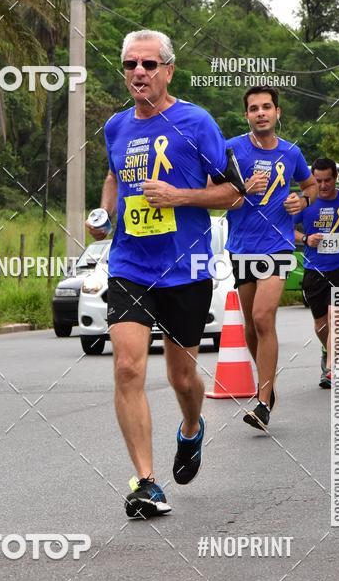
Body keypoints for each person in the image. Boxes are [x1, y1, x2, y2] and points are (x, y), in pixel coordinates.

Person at [86, 29, 244, 519]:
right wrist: (103, 213)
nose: (139, 72)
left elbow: (234, 192)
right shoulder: (115, 127)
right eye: (131, 64)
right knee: (128, 366)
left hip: (187, 267)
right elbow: (114, 176)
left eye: (150, 64)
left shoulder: (196, 123)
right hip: (131, 266)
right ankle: (146, 483)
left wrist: (180, 197)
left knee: (181, 377)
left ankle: (192, 428)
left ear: (168, 70)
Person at [225, 87, 317, 430]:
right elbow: (213, 191)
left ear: (277, 112)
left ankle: (262, 403)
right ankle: (268, 386)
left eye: (266, 107)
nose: (260, 112)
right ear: (247, 115)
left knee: (264, 317)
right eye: (253, 108)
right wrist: (241, 189)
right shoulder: (231, 150)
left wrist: (302, 202)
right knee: (251, 324)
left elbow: (308, 186)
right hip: (241, 245)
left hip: (277, 245)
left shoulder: (291, 153)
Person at [294, 157, 339, 388]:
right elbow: (286, 229)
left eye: (328, 180)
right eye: (318, 180)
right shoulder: (307, 203)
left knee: (337, 317)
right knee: (322, 325)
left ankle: (333, 368)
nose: (323, 186)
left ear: (336, 178)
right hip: (314, 270)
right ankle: (327, 350)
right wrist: (305, 238)